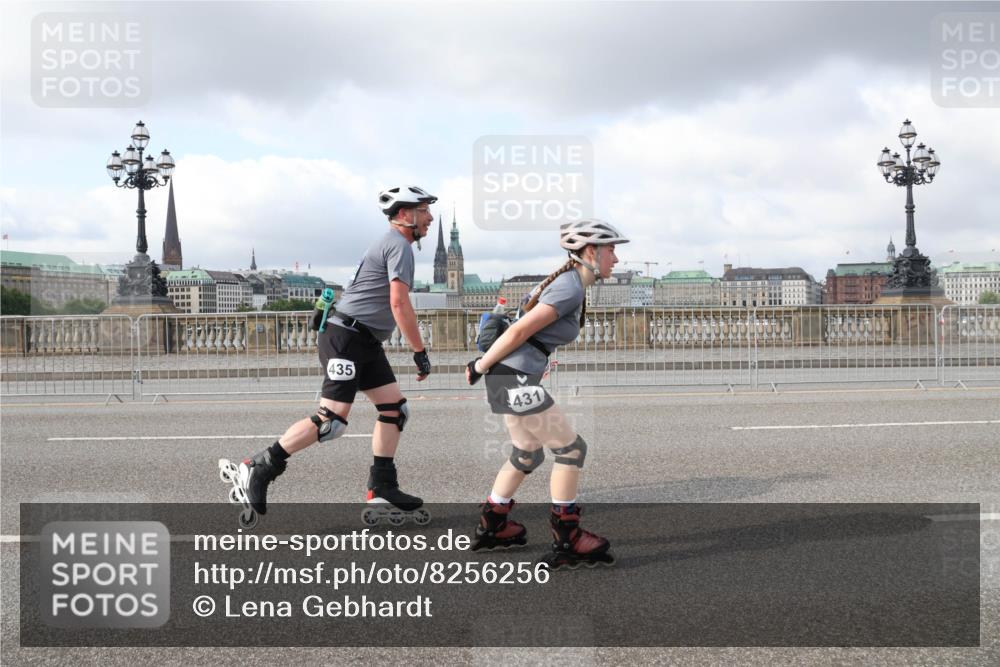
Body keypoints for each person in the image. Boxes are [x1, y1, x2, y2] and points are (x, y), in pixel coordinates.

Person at [228, 185, 437, 525]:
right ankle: (260, 466)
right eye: (424, 210)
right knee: (331, 421)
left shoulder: (394, 244)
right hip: (347, 337)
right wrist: (419, 351)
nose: (429, 217)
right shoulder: (399, 246)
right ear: (404, 214)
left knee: (395, 410)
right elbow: (399, 304)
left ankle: (382, 487)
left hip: (362, 339)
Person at [465, 218, 628, 568]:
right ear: (590, 251)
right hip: (513, 378)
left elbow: (528, 334)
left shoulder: (568, 283)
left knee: (527, 453)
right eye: (611, 249)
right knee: (571, 449)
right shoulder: (569, 288)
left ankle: (493, 524)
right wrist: (479, 366)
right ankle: (567, 538)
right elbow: (519, 332)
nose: (616, 258)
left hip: (511, 376)